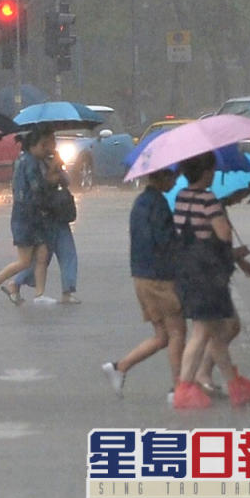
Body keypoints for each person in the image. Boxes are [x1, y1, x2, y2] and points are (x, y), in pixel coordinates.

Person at [171, 152, 250, 410]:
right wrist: (228, 234)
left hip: (188, 270)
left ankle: (236, 385)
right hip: (208, 274)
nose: (213, 174)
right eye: (211, 170)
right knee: (202, 331)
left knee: (216, 332)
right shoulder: (207, 199)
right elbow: (222, 234)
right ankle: (185, 388)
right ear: (205, 172)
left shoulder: (182, 196)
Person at [100, 169, 185, 402]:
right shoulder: (157, 205)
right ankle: (179, 388)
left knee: (162, 336)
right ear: (159, 178)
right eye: (171, 177)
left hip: (141, 276)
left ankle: (120, 367)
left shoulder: (141, 202)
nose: (175, 180)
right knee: (177, 332)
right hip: (159, 277)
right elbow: (164, 241)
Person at [0, 128, 54, 304]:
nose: (48, 148)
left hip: (31, 216)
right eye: (44, 145)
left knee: (42, 255)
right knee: (24, 261)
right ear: (33, 146)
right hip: (26, 218)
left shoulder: (27, 160)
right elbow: (37, 189)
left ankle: (39, 294)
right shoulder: (30, 163)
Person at [8, 150, 80, 304]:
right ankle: (16, 283)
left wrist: (58, 166)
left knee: (68, 253)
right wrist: (53, 168)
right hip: (44, 217)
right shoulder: (31, 163)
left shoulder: (53, 159)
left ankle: (68, 291)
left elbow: (66, 180)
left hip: (59, 214)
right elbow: (44, 185)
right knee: (41, 258)